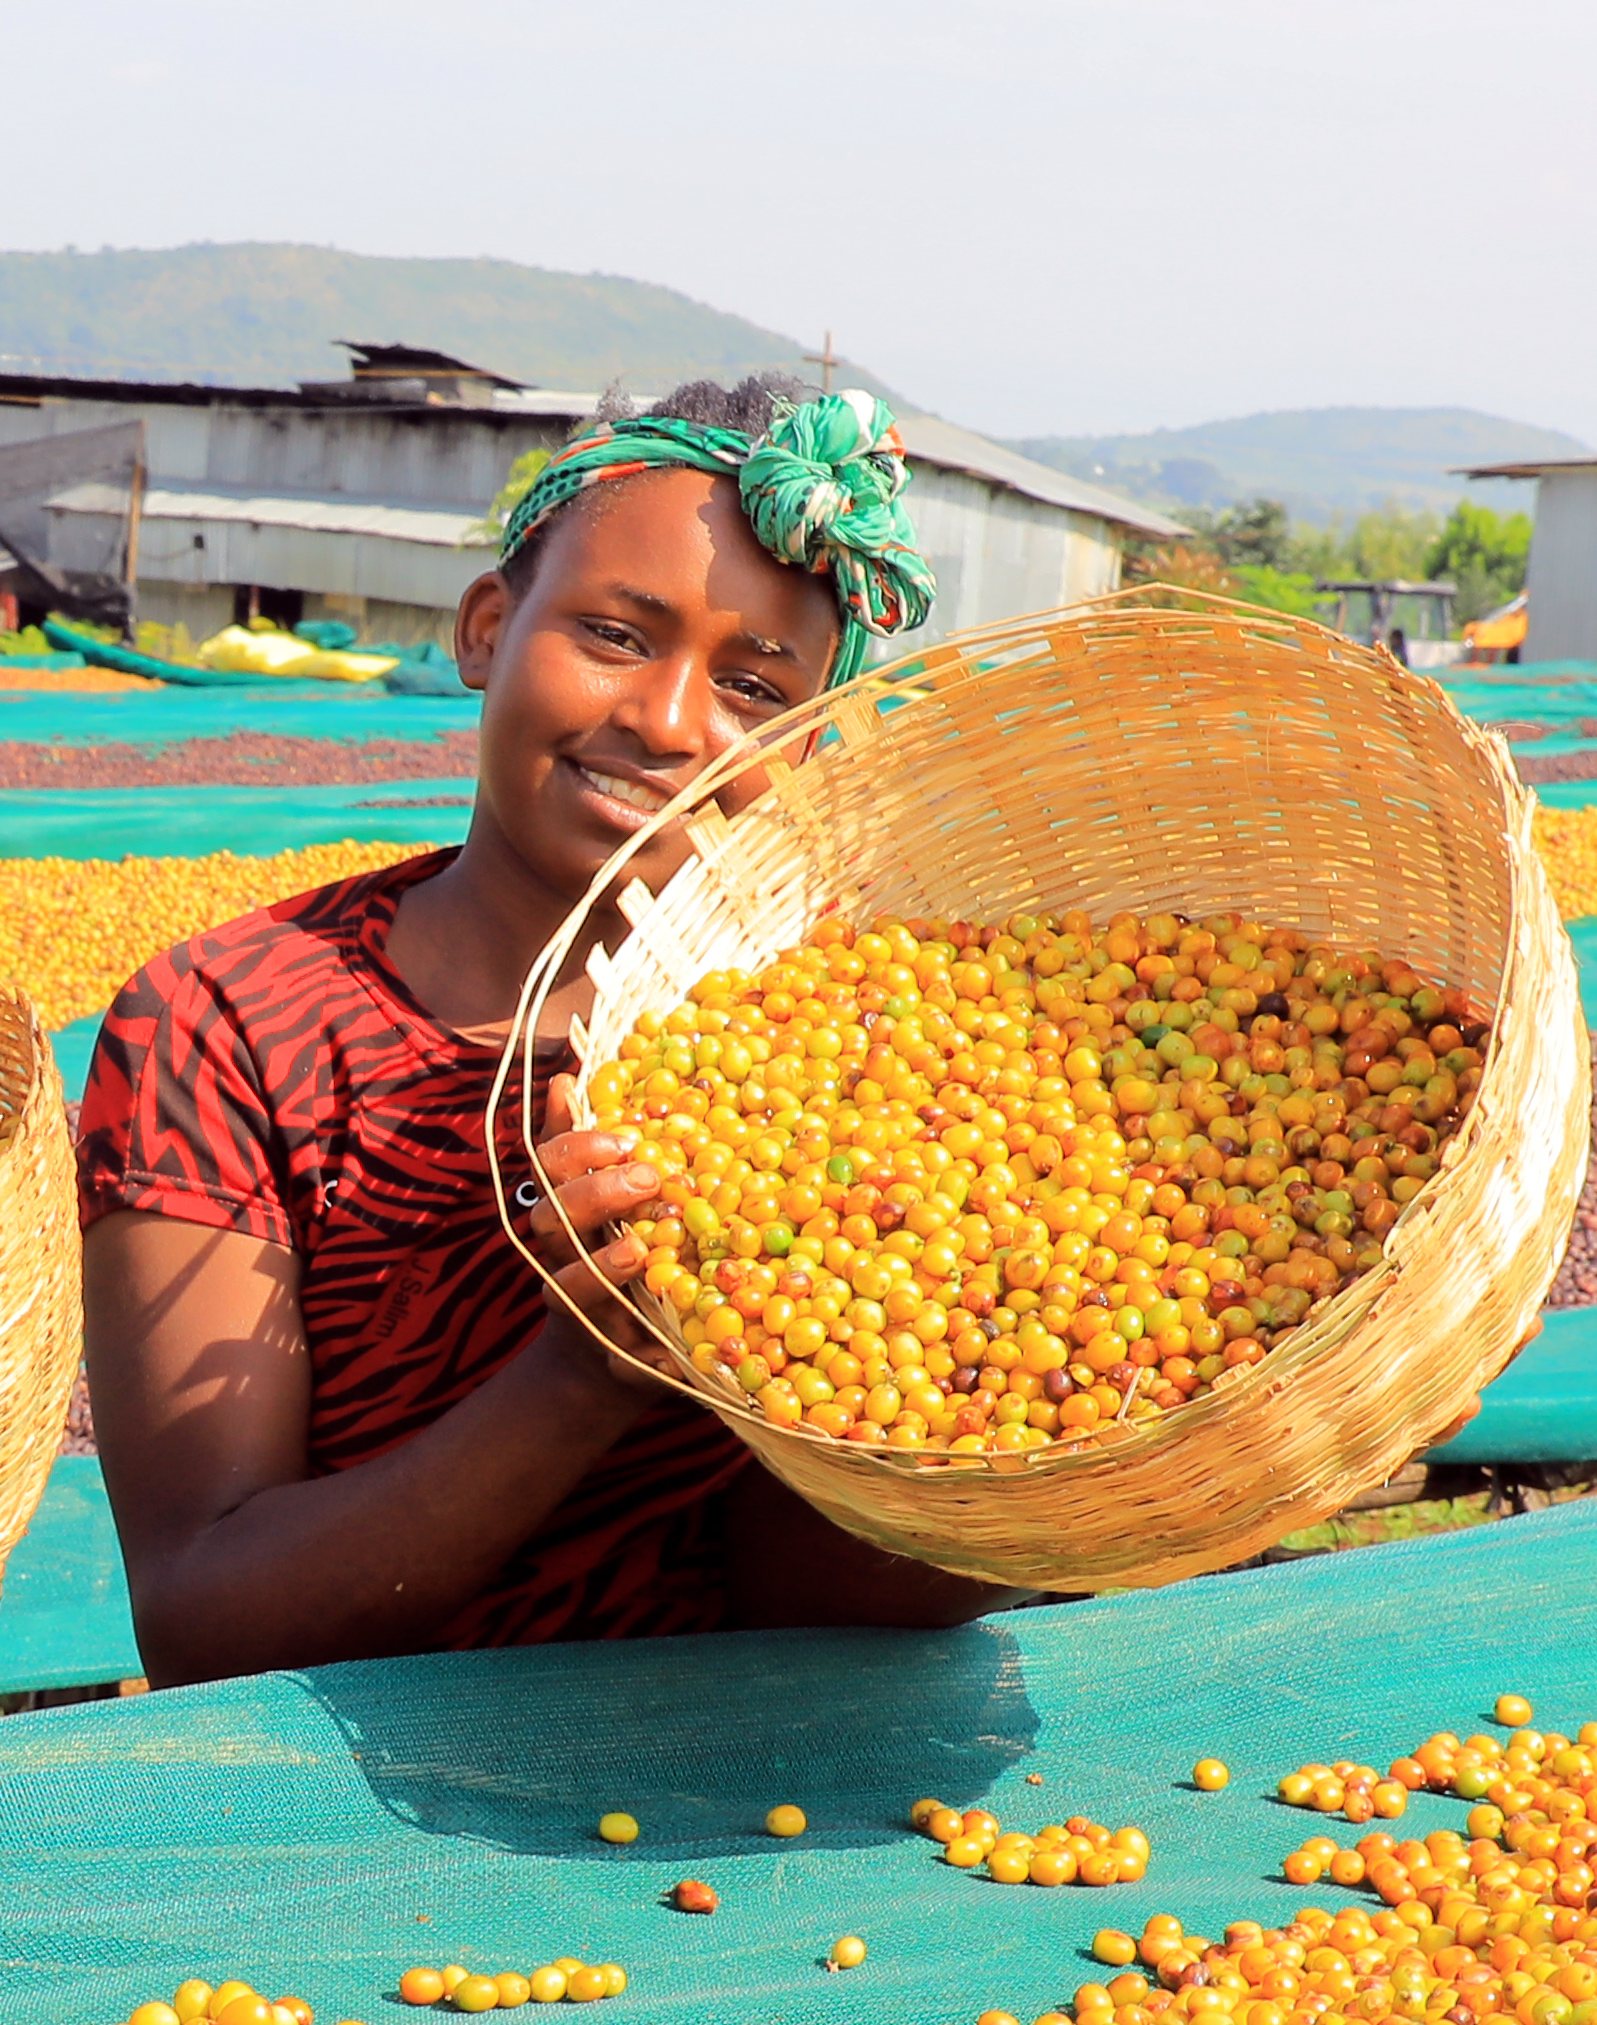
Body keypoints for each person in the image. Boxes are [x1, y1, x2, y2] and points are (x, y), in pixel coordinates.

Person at [74, 376, 1013, 1683]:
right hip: (359, 1798)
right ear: (485, 627)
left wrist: (1000, 1459)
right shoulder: (233, 1027)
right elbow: (201, 1622)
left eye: (753, 687)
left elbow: (811, 1594)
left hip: (779, 1775)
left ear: (808, 750)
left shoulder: (863, 1053)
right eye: (616, 636)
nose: (669, 723)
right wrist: (580, 1378)